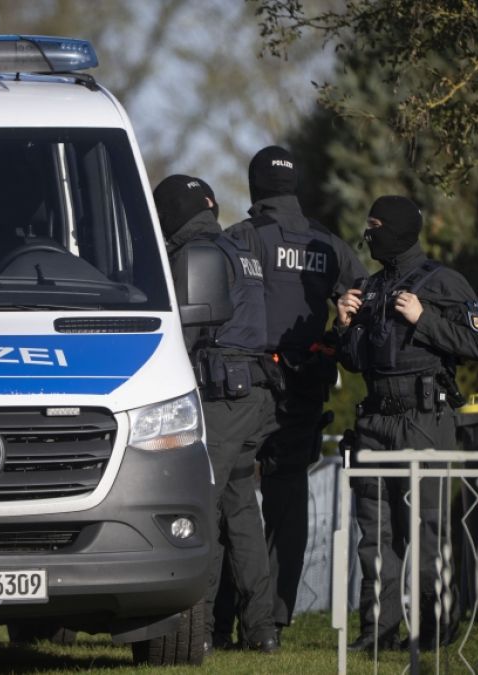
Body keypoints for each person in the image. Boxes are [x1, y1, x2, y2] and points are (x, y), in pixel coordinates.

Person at [335, 195, 478, 651]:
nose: (370, 234)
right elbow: (354, 360)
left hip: (424, 421)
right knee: (375, 531)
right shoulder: (370, 287)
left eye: (377, 225)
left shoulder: (444, 282)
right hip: (375, 423)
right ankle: (377, 632)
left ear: (401, 229)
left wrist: (424, 321)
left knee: (425, 529)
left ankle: (433, 630)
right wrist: (344, 324)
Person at [241, 146, 367, 638]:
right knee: (288, 498)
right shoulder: (330, 245)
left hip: (247, 384)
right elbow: (364, 295)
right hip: (306, 384)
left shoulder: (243, 239)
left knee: (232, 496)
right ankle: (274, 616)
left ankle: (237, 613)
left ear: (256, 189)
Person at [154, 174, 280, 654]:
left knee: (199, 509)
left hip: (219, 397)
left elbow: (183, 338)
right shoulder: (238, 249)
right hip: (252, 394)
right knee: (242, 512)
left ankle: (197, 629)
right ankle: (261, 631)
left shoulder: (195, 255)